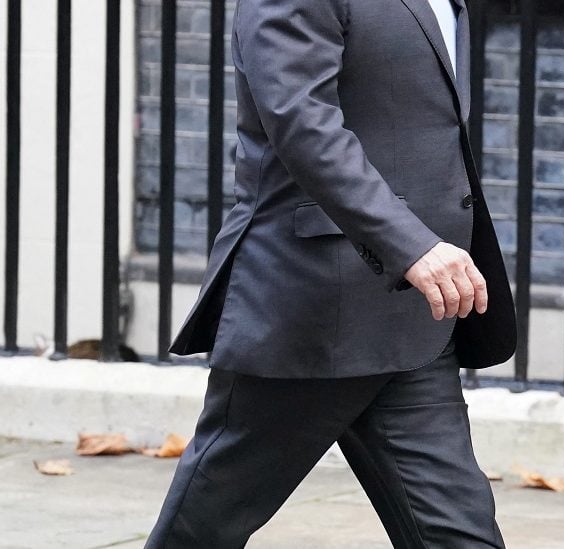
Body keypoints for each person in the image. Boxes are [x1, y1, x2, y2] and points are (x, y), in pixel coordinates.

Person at [146, 0, 516, 546]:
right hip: (318, 307)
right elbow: (303, 125)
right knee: (204, 529)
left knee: (459, 536)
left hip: (416, 317)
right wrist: (410, 245)